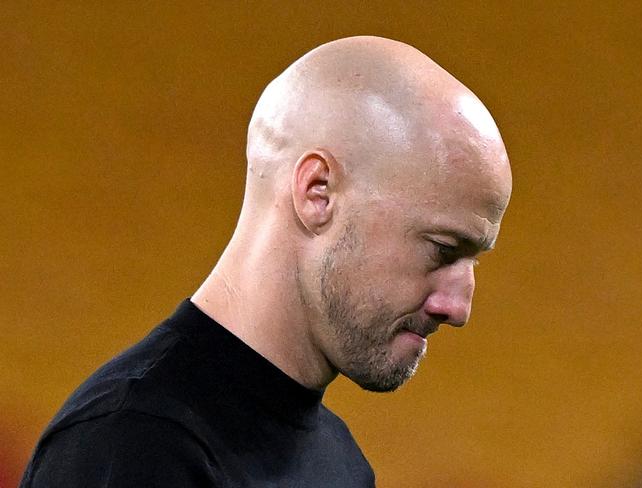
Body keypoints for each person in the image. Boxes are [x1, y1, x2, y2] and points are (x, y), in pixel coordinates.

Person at [20, 35, 512, 487]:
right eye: (444, 249)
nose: (459, 306)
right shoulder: (131, 446)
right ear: (317, 192)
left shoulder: (340, 462)